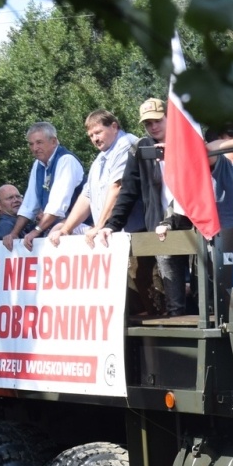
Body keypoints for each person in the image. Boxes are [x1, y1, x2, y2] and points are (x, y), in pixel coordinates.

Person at [92, 99, 193, 315]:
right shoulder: (140, 148)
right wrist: (112, 225)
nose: (153, 127)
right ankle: (176, 331)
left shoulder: (189, 143)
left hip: (193, 224)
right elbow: (128, 191)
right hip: (160, 229)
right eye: (148, 123)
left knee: (203, 288)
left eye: (157, 120)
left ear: (169, 118)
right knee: (173, 297)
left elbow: (193, 187)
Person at [49, 109, 137, 248]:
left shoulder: (126, 145)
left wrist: (100, 226)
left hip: (134, 236)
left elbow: (117, 188)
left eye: (98, 132)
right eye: (91, 135)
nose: (95, 139)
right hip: (111, 237)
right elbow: (87, 196)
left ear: (114, 127)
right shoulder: (100, 159)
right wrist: (66, 230)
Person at [3, 122, 85, 249]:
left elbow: (57, 206)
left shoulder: (66, 160)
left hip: (81, 225)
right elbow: (29, 205)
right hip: (56, 227)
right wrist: (14, 233)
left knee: (52, 234)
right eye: (31, 144)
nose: (35, 148)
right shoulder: (38, 165)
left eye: (39, 142)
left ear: (53, 141)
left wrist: (36, 231)